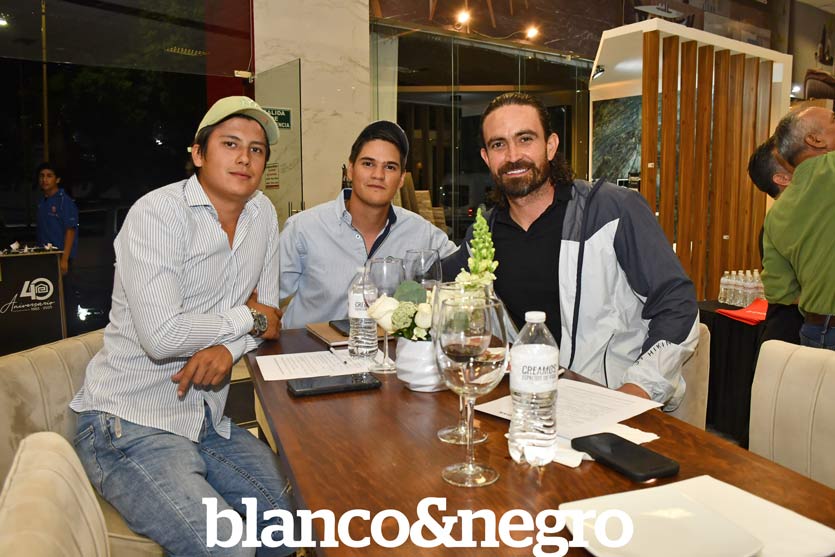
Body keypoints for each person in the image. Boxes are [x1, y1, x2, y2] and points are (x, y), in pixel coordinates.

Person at [70, 96, 296, 555]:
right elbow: (162, 337)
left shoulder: (262, 215)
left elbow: (270, 319)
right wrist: (246, 317)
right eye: (230, 144)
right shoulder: (158, 214)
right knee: (228, 547)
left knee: (294, 518)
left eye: (256, 149)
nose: (244, 157)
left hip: (203, 418)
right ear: (198, 154)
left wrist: (228, 349)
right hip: (128, 421)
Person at [442, 92, 699, 408]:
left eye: (525, 139)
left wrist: (638, 390)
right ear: (486, 158)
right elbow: (433, 286)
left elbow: (677, 303)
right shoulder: (486, 233)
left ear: (550, 146)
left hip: (608, 402)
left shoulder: (612, 211)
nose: (512, 155)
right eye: (498, 145)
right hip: (523, 402)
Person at [279, 120, 456, 328]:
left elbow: (463, 276)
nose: (378, 175)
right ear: (350, 170)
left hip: (386, 347)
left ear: (401, 179)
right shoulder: (303, 229)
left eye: (390, 167)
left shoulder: (421, 233)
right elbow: (263, 297)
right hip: (308, 347)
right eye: (368, 164)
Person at [763, 108, 835, 350]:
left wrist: (820, 296)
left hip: (815, 330)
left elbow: (779, 291)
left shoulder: (776, 214)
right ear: (815, 140)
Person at [36, 162, 78, 276]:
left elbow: (70, 230)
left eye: (49, 176)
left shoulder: (64, 201)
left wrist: (64, 259)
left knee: (64, 286)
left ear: (57, 179)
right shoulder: (42, 202)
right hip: (44, 256)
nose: (44, 179)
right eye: (42, 176)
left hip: (60, 257)